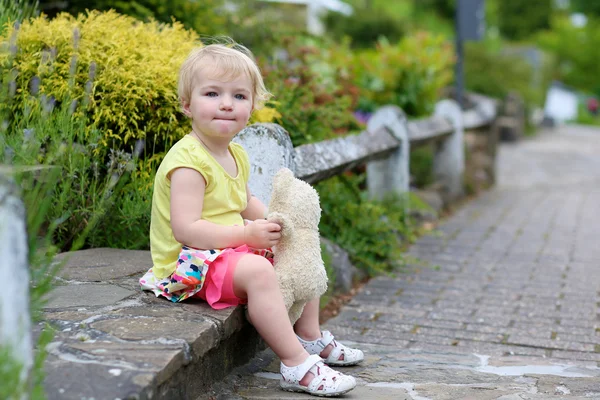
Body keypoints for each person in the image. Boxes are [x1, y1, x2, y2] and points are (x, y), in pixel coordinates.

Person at [139, 40, 363, 397]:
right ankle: (295, 364)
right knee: (259, 271)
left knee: (299, 248)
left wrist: (281, 227)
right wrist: (247, 234)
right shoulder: (188, 162)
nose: (227, 103)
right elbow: (187, 229)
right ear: (187, 105)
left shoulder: (235, 154)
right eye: (212, 93)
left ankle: (310, 337)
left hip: (224, 250)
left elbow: (244, 201)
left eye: (239, 96)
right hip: (189, 262)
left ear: (252, 106)